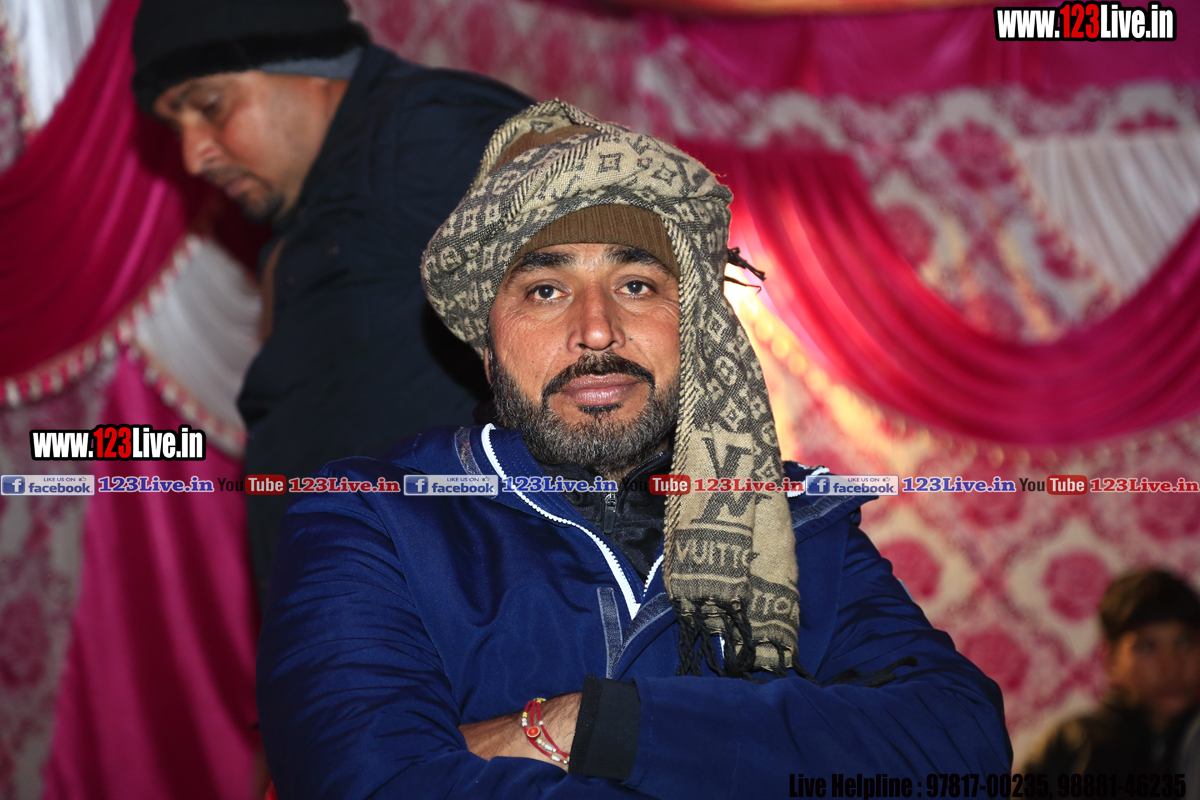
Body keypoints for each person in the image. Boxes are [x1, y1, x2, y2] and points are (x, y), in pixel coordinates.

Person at [256, 100, 1012, 798]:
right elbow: (372, 785)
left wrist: (595, 725)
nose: (596, 330)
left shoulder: (796, 525)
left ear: (699, 326)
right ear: (488, 346)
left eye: (638, 285)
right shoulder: (375, 519)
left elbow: (960, 747)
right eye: (546, 290)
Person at [131, 0, 532, 603]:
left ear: (307, 62)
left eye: (211, 106)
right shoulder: (308, 217)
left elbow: (611, 326)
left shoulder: (422, 135)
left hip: (466, 631)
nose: (194, 156)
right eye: (176, 126)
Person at [1021, 568, 1200, 782]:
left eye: (1185, 643)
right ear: (1111, 660)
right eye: (1146, 647)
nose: (1171, 666)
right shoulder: (1072, 745)